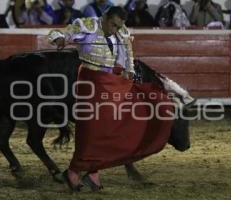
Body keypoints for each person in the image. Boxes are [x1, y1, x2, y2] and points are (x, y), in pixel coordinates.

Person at [48, 6, 195, 192]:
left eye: (118, 26)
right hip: (90, 83)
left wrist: (129, 71)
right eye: (112, 24)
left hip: (112, 82)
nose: (114, 29)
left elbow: (128, 56)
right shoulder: (87, 25)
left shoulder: (122, 32)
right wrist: (59, 39)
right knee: (91, 129)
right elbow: (57, 33)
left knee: (112, 127)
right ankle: (74, 171)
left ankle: (93, 172)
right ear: (105, 17)